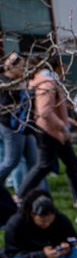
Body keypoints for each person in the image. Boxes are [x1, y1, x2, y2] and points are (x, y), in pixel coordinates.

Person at [17, 55, 77, 206]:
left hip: (52, 130)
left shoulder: (45, 80)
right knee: (44, 165)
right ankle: (20, 196)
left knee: (71, 164)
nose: (66, 70)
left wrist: (67, 122)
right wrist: (63, 126)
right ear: (57, 66)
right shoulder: (47, 83)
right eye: (64, 66)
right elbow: (45, 111)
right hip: (49, 131)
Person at [0, 54, 36, 218]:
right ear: (11, 67)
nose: (24, 69)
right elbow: (5, 108)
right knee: (11, 160)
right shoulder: (4, 83)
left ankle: (33, 196)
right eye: (21, 66)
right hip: (11, 126)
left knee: (34, 162)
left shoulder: (21, 82)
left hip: (25, 127)